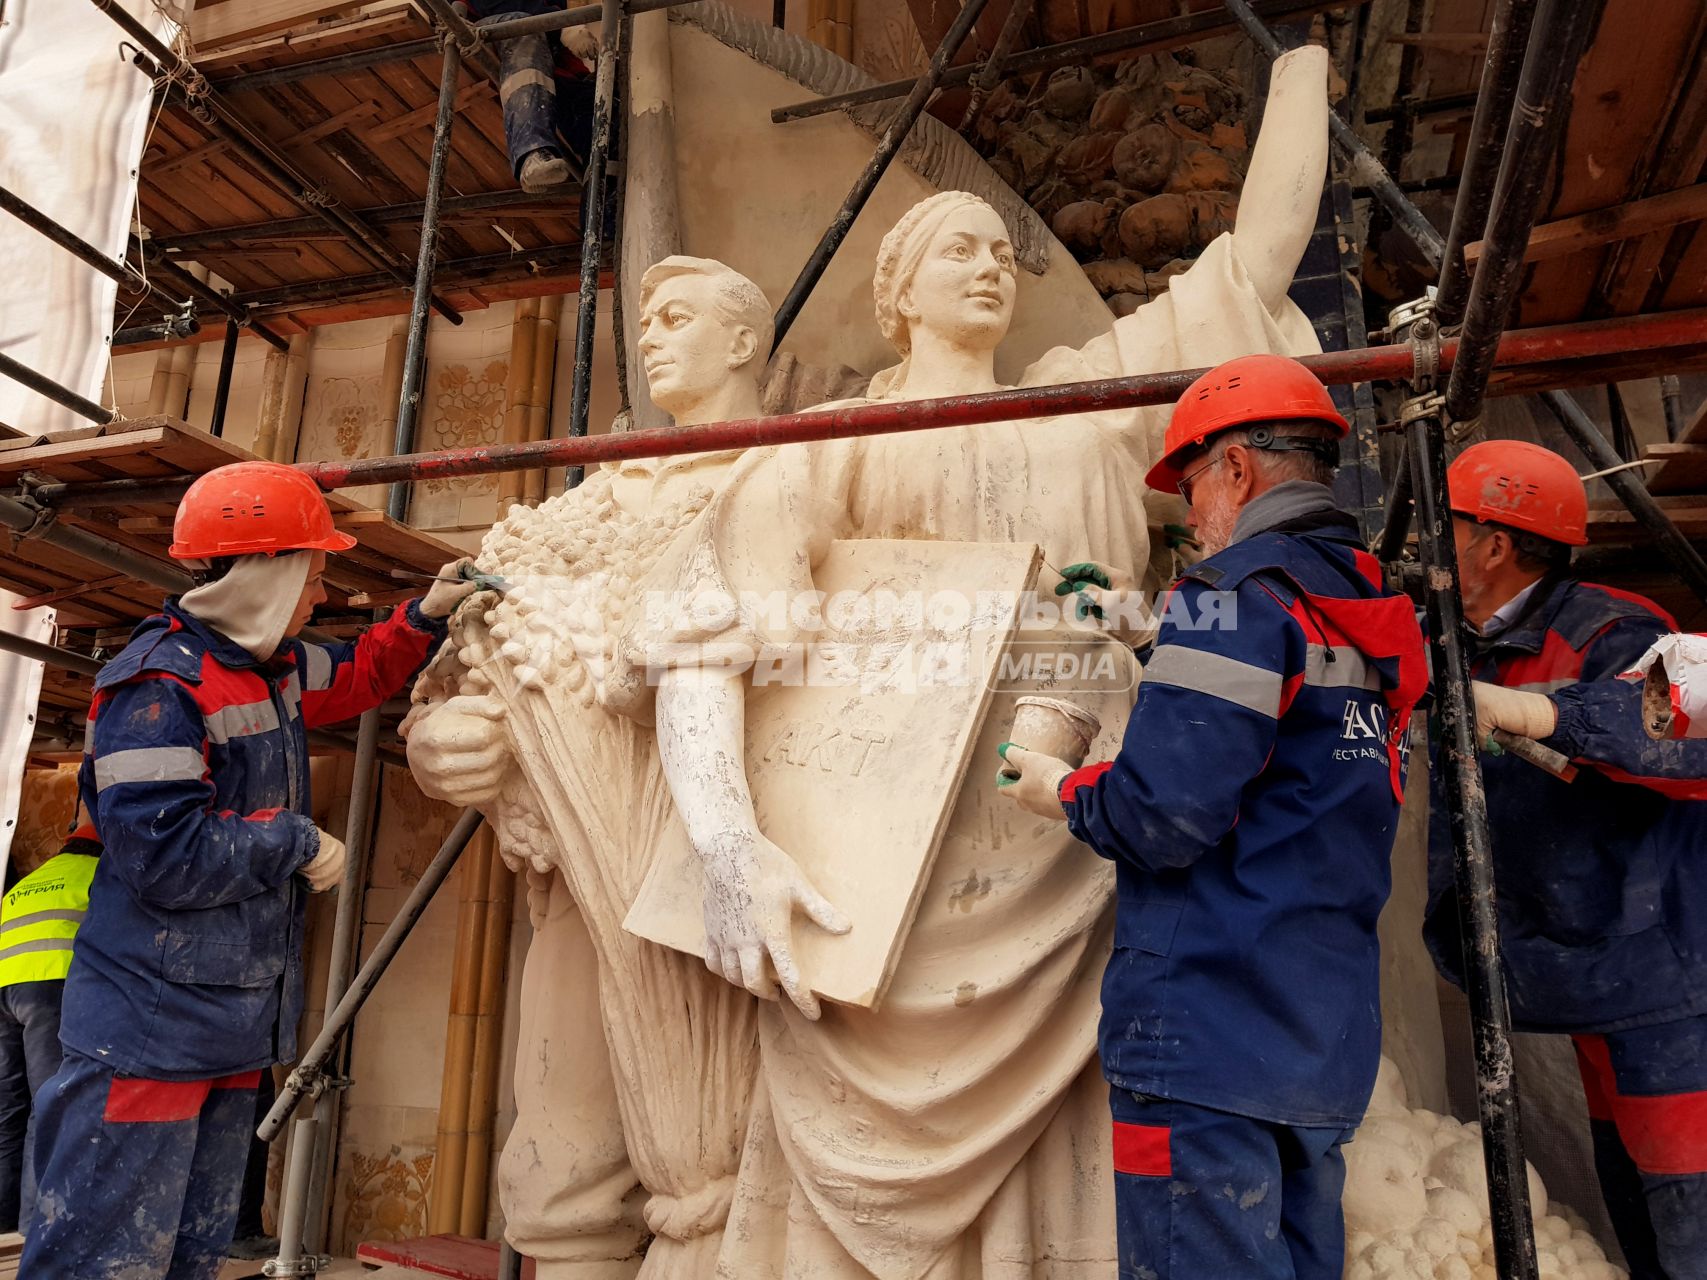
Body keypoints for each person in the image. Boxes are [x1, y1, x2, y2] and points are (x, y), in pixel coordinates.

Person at [595, 42, 1336, 1277]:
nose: (990, 264)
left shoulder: (1088, 404)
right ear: (896, 291)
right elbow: (700, 641)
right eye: (959, 247)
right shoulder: (833, 442)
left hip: (1070, 849)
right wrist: (728, 844)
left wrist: (1304, 62)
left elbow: (1255, 266)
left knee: (1071, 1191)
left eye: (1002, 251)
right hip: (879, 874)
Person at [998, 354, 1427, 1280]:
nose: (1190, 517)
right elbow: (1292, 732)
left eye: (1191, 487)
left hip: (1205, 1033)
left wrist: (1058, 789)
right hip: (1315, 1037)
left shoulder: (1230, 601)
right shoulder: (1361, 605)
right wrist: (1152, 626)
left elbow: (1161, 817)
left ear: (1235, 468)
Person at [407, 257, 777, 1276]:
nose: (651, 335)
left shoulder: (795, 476)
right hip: (584, 872)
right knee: (568, 1153)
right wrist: (444, 743)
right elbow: (459, 676)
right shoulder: (572, 512)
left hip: (752, 872)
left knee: (749, 1149)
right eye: (644, 319)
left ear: (744, 340)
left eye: (677, 316)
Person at [22, 461, 475, 1279]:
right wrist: (294, 841)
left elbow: (361, 673)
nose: (322, 592)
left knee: (190, 1258)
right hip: (147, 1031)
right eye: (315, 569)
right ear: (268, 569)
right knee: (105, 1262)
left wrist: (425, 616)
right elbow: (163, 855)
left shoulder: (271, 669)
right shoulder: (157, 687)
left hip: (227, 1031)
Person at [1432, 439, 1707, 1280]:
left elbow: (1670, 724)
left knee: (1688, 1207)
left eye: (1444, 528)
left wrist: (1531, 710)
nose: (1423, 549)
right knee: (1632, 1193)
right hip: (1588, 975)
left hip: (1663, 984)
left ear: (1493, 544)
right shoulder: (1464, 639)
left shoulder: (1613, 628)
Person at [0, 822, 99, 1233]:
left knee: (7, 1115)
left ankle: (4, 1233)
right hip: (50, 988)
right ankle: (33, 1235)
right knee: (50, 1112)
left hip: (5, 989)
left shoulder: (33, 880)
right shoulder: (101, 875)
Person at [466, 0, 599, 192]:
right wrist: (563, 27)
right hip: (489, 30)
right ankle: (531, 151)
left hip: (550, 57)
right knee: (524, 27)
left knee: (602, 128)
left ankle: (602, 211)